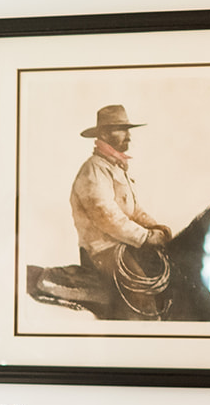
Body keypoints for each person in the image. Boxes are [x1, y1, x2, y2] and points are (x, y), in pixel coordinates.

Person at [70, 104, 173, 279]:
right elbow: (107, 217)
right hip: (101, 252)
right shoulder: (93, 170)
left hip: (125, 245)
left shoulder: (116, 167)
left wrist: (156, 229)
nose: (129, 136)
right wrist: (146, 237)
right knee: (144, 294)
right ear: (103, 134)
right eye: (122, 130)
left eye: (128, 130)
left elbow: (135, 210)